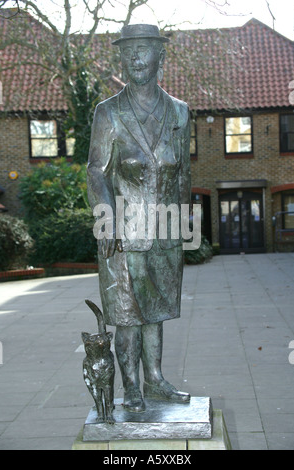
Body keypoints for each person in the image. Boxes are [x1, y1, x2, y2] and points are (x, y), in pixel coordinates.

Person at [87, 24, 191, 412]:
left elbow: (183, 174)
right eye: (128, 51)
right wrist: (106, 221)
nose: (135, 57)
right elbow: (96, 171)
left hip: (165, 230)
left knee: (156, 312)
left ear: (160, 56)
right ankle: (131, 387)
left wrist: (184, 225)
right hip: (121, 232)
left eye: (144, 49)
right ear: (121, 58)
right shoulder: (108, 112)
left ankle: (156, 381)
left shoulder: (179, 112)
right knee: (127, 316)